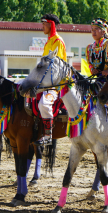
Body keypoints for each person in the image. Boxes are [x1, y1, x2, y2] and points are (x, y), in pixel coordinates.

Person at [36, 13, 67, 145]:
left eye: (44, 24)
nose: (42, 26)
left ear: (51, 25)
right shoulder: (49, 41)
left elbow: (56, 66)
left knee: (44, 104)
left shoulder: (57, 41)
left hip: (55, 83)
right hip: (45, 81)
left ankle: (48, 135)